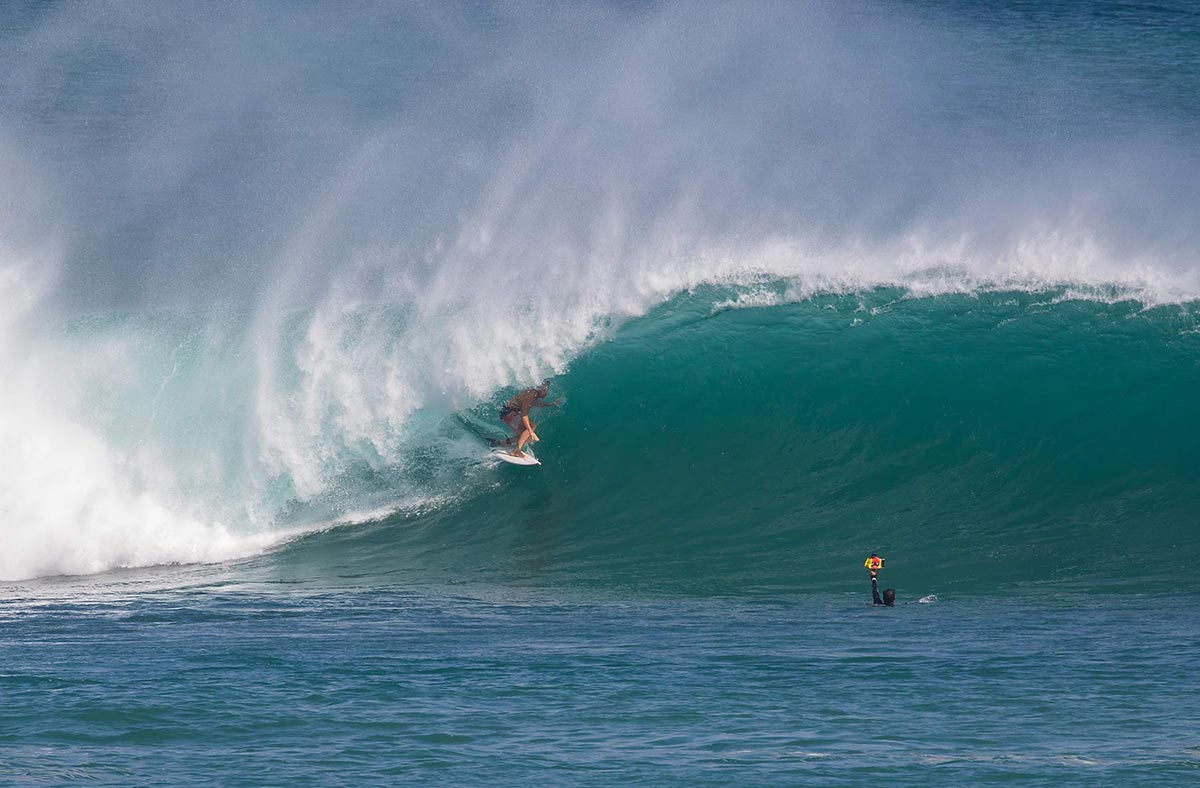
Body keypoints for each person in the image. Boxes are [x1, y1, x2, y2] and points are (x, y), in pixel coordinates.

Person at [497, 381, 560, 458]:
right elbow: (524, 415)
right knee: (532, 426)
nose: (546, 392)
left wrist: (552, 404)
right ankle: (516, 451)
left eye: (547, 389)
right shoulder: (531, 396)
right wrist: (530, 430)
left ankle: (502, 442)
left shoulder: (533, 394)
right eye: (545, 389)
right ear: (540, 388)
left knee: (528, 438)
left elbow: (539, 404)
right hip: (507, 413)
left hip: (508, 413)